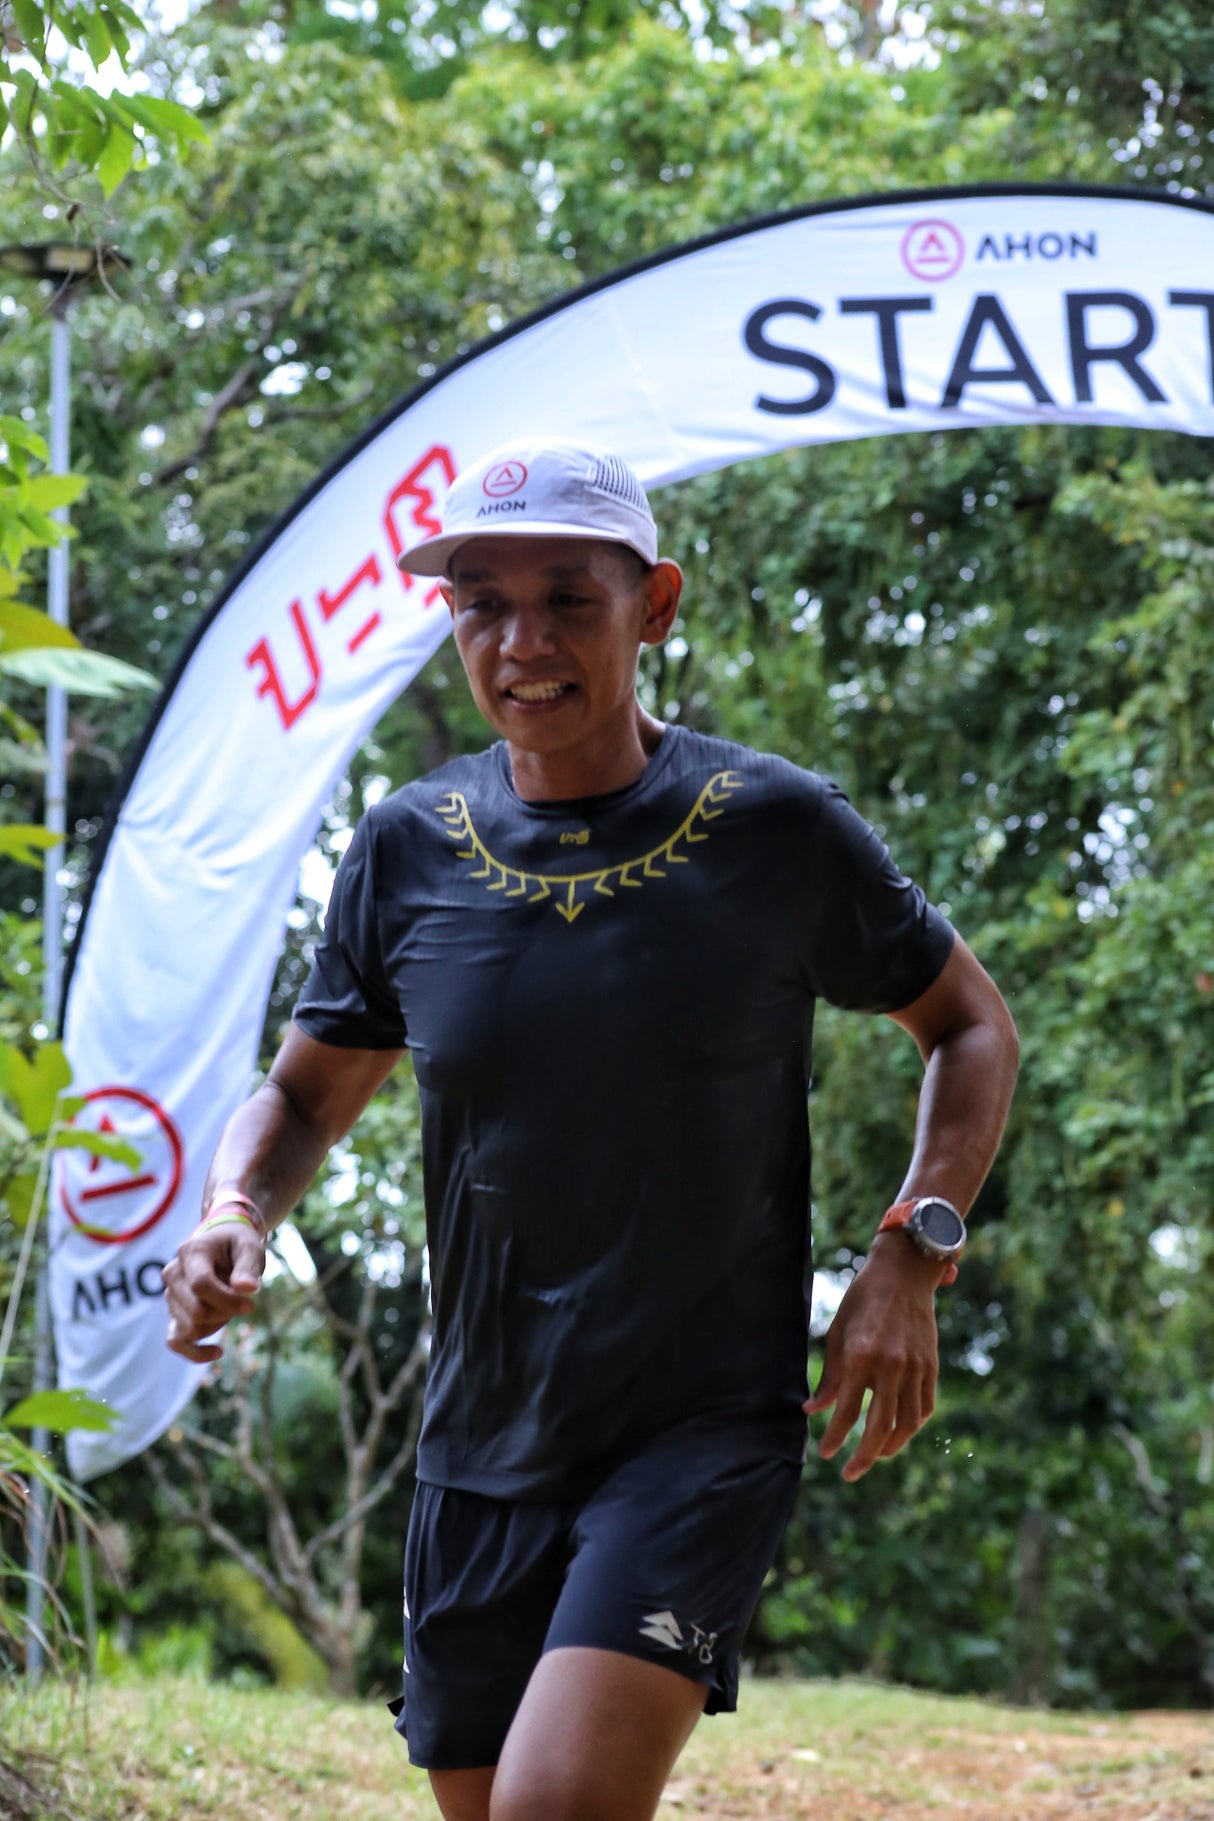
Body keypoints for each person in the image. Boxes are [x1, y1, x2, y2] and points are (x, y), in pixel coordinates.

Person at [163, 440, 1018, 1821]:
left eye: (569, 597)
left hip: (694, 1428)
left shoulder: (771, 828)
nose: (522, 641)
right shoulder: (407, 844)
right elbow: (309, 1092)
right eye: (480, 603)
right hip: (477, 1438)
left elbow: (970, 1025)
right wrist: (234, 1210)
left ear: (654, 604)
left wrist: (909, 1252)